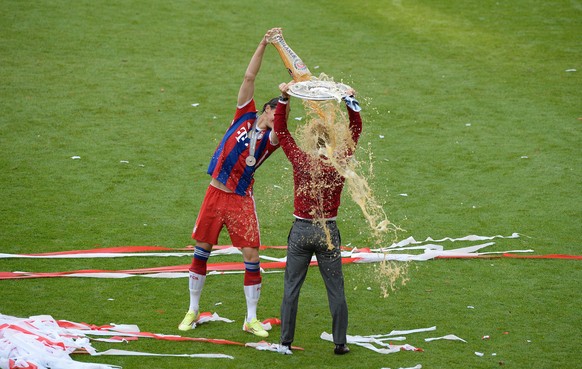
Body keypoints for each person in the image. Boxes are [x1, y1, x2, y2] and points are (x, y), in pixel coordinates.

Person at [178, 28, 287, 338]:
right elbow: (249, 77)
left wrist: (286, 96)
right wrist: (263, 43)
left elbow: (281, 129)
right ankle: (192, 309)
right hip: (215, 192)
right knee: (202, 250)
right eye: (277, 111)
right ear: (266, 110)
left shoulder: (273, 139)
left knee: (251, 255)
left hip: (239, 197)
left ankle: (251, 318)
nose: (280, 117)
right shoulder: (245, 114)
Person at [273, 81, 362, 355]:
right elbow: (356, 130)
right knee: (335, 290)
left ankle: (285, 342)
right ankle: (340, 343)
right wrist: (350, 102)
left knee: (291, 288)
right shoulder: (340, 160)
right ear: (331, 141)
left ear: (311, 140)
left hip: (301, 231)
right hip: (328, 232)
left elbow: (281, 131)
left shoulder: (300, 160)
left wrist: (284, 98)